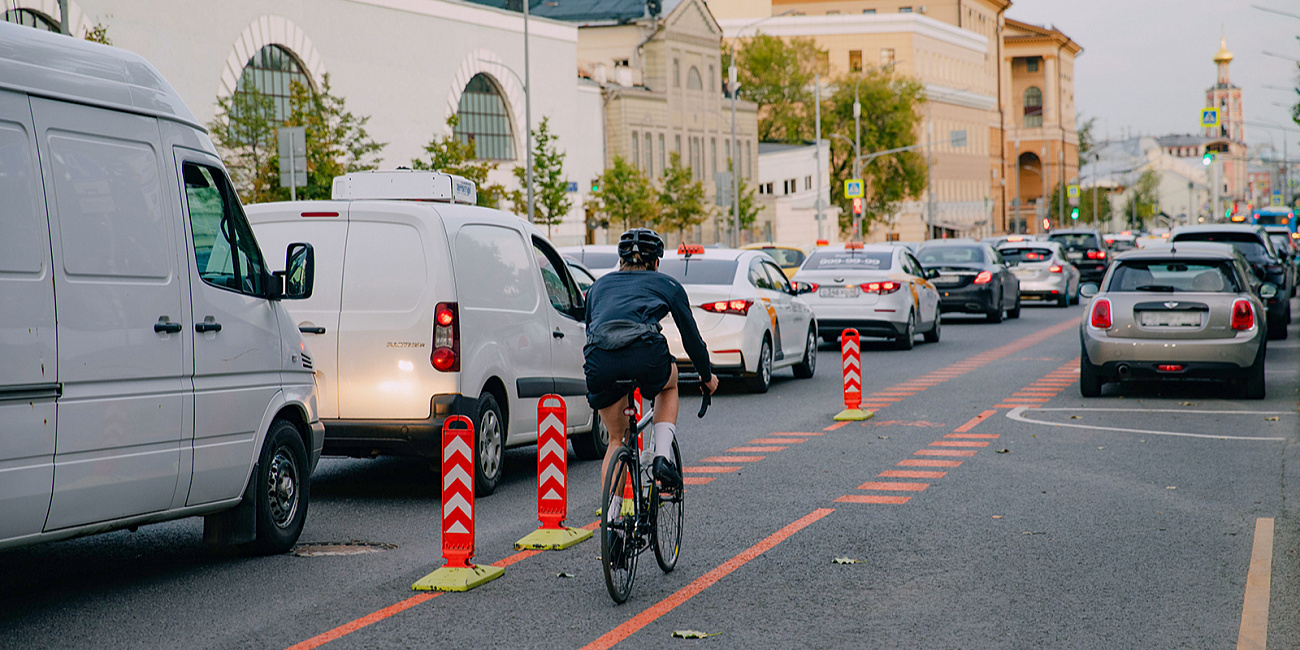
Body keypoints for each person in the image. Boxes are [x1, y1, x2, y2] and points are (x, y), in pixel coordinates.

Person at [583, 228, 718, 494]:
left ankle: (612, 521)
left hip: (600, 360)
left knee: (615, 439)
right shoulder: (667, 285)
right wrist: (706, 377)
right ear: (657, 262)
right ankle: (662, 458)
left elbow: (590, 329)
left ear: (621, 260)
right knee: (669, 383)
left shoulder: (598, 286)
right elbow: (691, 339)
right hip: (646, 356)